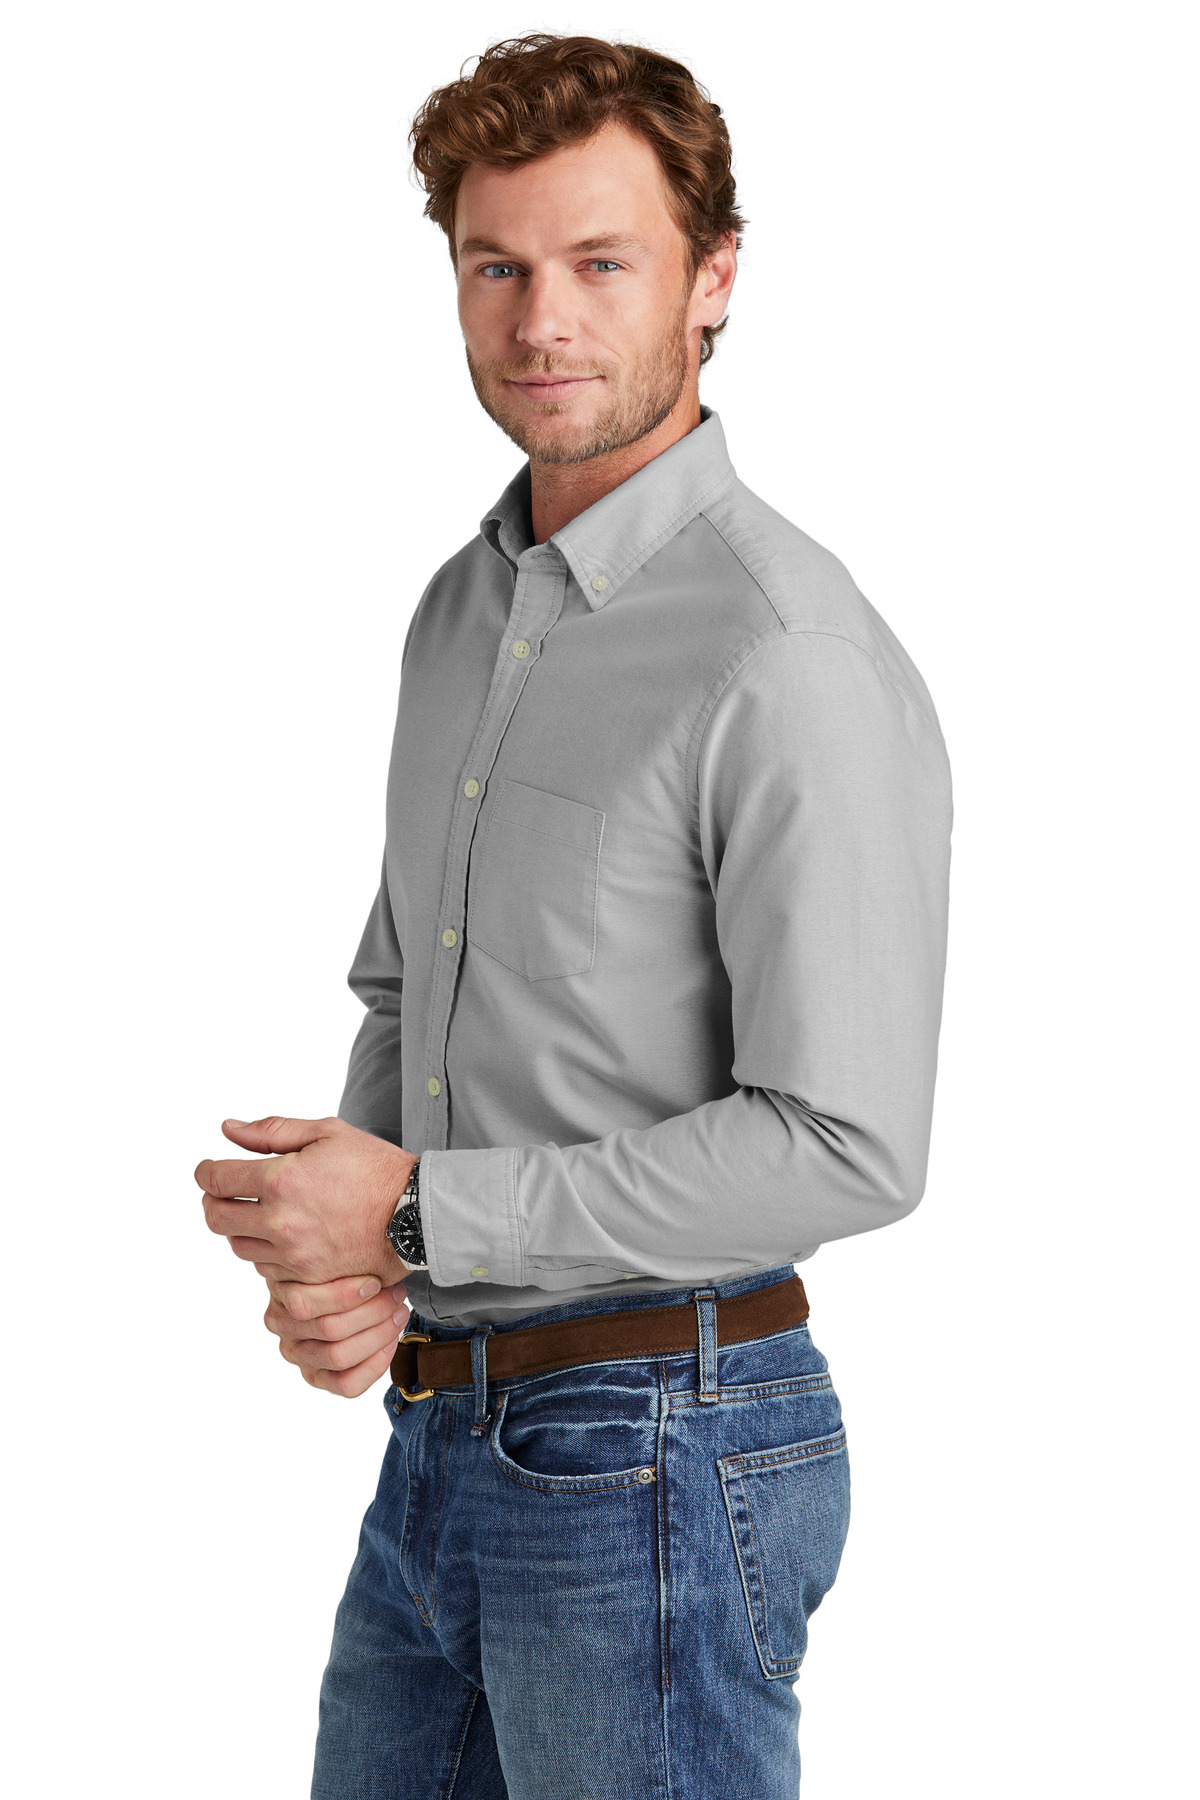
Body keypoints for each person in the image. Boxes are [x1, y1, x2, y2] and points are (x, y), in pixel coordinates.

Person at [194, 32, 953, 1798]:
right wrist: (359, 1267)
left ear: (715, 278)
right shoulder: (461, 612)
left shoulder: (788, 652)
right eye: (497, 266)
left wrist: (418, 1212)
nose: (542, 321)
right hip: (442, 1435)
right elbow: (409, 988)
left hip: (666, 1447)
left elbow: (852, 1144)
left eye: (602, 263)